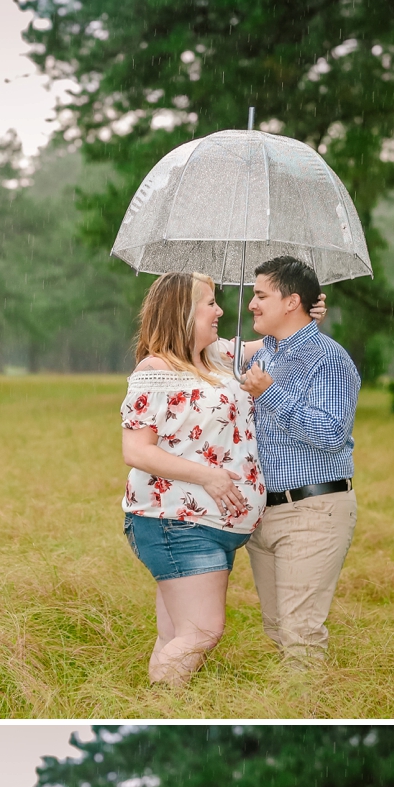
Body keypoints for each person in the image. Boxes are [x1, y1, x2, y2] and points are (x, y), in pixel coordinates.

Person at [120, 273, 265, 686]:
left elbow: (275, 341)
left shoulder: (217, 356)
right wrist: (210, 478)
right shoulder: (157, 369)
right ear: (183, 312)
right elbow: (136, 451)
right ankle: (156, 713)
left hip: (213, 525)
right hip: (176, 521)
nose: (220, 311)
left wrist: (304, 312)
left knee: (175, 634)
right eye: (210, 303)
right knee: (202, 631)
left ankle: (161, 706)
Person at [238, 257, 362, 665]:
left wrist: (269, 393)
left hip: (313, 510)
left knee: (300, 633)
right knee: (277, 627)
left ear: (291, 302)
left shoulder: (330, 359)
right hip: (265, 513)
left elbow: (330, 434)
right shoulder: (264, 354)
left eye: (260, 295)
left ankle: (308, 713)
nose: (252, 304)